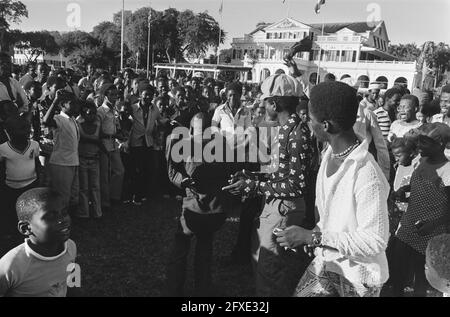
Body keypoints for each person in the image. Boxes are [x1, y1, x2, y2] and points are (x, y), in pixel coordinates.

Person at [276, 81, 390, 297]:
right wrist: (318, 233)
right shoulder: (329, 153)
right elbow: (333, 219)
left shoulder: (366, 173)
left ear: (326, 125)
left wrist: (313, 237)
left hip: (359, 277)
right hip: (329, 261)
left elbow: (375, 241)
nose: (308, 123)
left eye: (310, 119)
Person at [224, 71, 314, 296]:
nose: (263, 107)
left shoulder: (296, 134)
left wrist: (254, 186)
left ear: (274, 103)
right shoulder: (284, 130)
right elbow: (280, 173)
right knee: (260, 261)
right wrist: (252, 177)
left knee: (270, 272)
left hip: (284, 207)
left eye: (265, 102)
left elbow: (296, 185)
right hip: (273, 204)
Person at [166, 113, 233, 296]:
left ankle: (175, 288)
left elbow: (173, 173)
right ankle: (202, 288)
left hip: (197, 208)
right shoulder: (220, 146)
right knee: (204, 248)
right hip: (211, 209)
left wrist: (183, 181)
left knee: (181, 247)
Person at [392, 122, 450, 297]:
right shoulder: (421, 160)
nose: (418, 146)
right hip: (409, 224)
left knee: (421, 277)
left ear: (440, 144)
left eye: (424, 142)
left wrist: (434, 224)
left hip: (430, 232)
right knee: (397, 268)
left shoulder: (447, 171)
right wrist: (405, 190)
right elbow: (419, 184)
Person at [0, 188, 77, 297]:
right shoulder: (11, 266)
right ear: (26, 228)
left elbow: (73, 279)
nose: (62, 219)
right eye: (50, 216)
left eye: (64, 212)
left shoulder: (70, 246)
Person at [0, 116, 40, 250]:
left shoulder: (34, 145)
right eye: (19, 131)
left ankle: (32, 233)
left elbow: (37, 163)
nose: (23, 134)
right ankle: (14, 234)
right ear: (8, 132)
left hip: (31, 185)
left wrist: (40, 180)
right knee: (12, 211)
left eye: (26, 130)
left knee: (30, 211)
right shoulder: (3, 148)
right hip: (11, 187)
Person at [43, 91, 80, 212]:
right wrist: (55, 101)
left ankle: (64, 219)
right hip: (61, 163)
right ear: (63, 104)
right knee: (62, 196)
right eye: (72, 103)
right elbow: (45, 121)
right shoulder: (59, 118)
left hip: (72, 162)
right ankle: (59, 221)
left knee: (71, 194)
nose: (75, 106)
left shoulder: (72, 119)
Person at [128, 84, 163, 204]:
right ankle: (135, 195)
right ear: (140, 95)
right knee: (137, 170)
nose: (148, 97)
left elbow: (160, 120)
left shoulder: (154, 109)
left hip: (148, 142)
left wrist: (169, 121)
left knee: (147, 169)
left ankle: (143, 193)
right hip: (135, 142)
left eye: (150, 95)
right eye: (145, 94)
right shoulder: (133, 108)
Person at [97, 83, 125, 212]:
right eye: (111, 95)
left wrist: (119, 134)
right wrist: (109, 135)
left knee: (119, 171)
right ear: (105, 95)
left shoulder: (114, 110)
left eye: (116, 95)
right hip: (104, 144)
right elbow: (96, 131)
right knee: (104, 174)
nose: (114, 97)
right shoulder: (100, 111)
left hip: (114, 144)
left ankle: (114, 196)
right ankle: (105, 201)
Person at [77, 101, 102, 219]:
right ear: (83, 114)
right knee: (84, 188)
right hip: (82, 159)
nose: (91, 115)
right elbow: (82, 139)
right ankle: (84, 214)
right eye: (88, 113)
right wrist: (94, 141)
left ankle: (98, 213)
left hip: (94, 159)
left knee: (96, 187)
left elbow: (99, 139)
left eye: (93, 113)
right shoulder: (78, 125)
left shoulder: (97, 124)